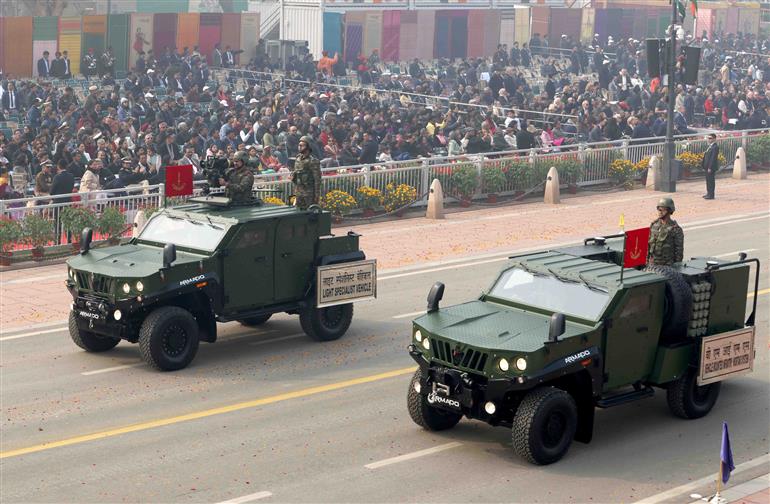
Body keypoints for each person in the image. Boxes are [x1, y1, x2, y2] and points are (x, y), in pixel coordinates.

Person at [647, 197, 684, 267]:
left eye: (662, 209)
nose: (659, 212)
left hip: (667, 267)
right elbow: (648, 247)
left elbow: (679, 254)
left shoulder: (676, 229)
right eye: (658, 209)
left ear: (669, 211)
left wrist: (675, 270)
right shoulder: (654, 225)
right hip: (653, 266)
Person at [291, 136, 321, 209]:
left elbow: (317, 179)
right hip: (298, 192)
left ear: (308, 147)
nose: (299, 147)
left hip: (308, 193)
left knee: (309, 214)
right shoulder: (298, 158)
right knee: (297, 213)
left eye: (302, 145)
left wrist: (316, 195)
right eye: (299, 145)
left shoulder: (313, 161)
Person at [701, 133, 719, 200]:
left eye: (710, 138)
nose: (708, 139)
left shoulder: (715, 147)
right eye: (708, 138)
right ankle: (708, 193)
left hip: (710, 167)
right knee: (708, 181)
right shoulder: (710, 146)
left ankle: (711, 195)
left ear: (714, 139)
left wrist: (710, 167)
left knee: (711, 181)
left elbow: (713, 158)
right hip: (707, 167)